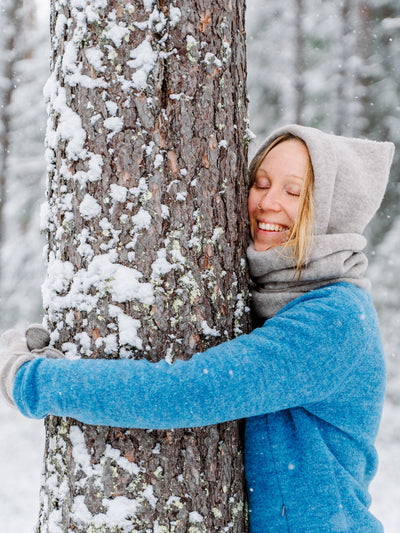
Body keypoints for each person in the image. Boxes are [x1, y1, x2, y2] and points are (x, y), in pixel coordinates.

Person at [0, 124, 395, 532]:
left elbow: (187, 391)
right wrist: (71, 359)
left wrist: (32, 381)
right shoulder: (277, 300)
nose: (267, 202)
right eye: (260, 183)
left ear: (330, 210)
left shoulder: (334, 319)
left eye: (294, 192)